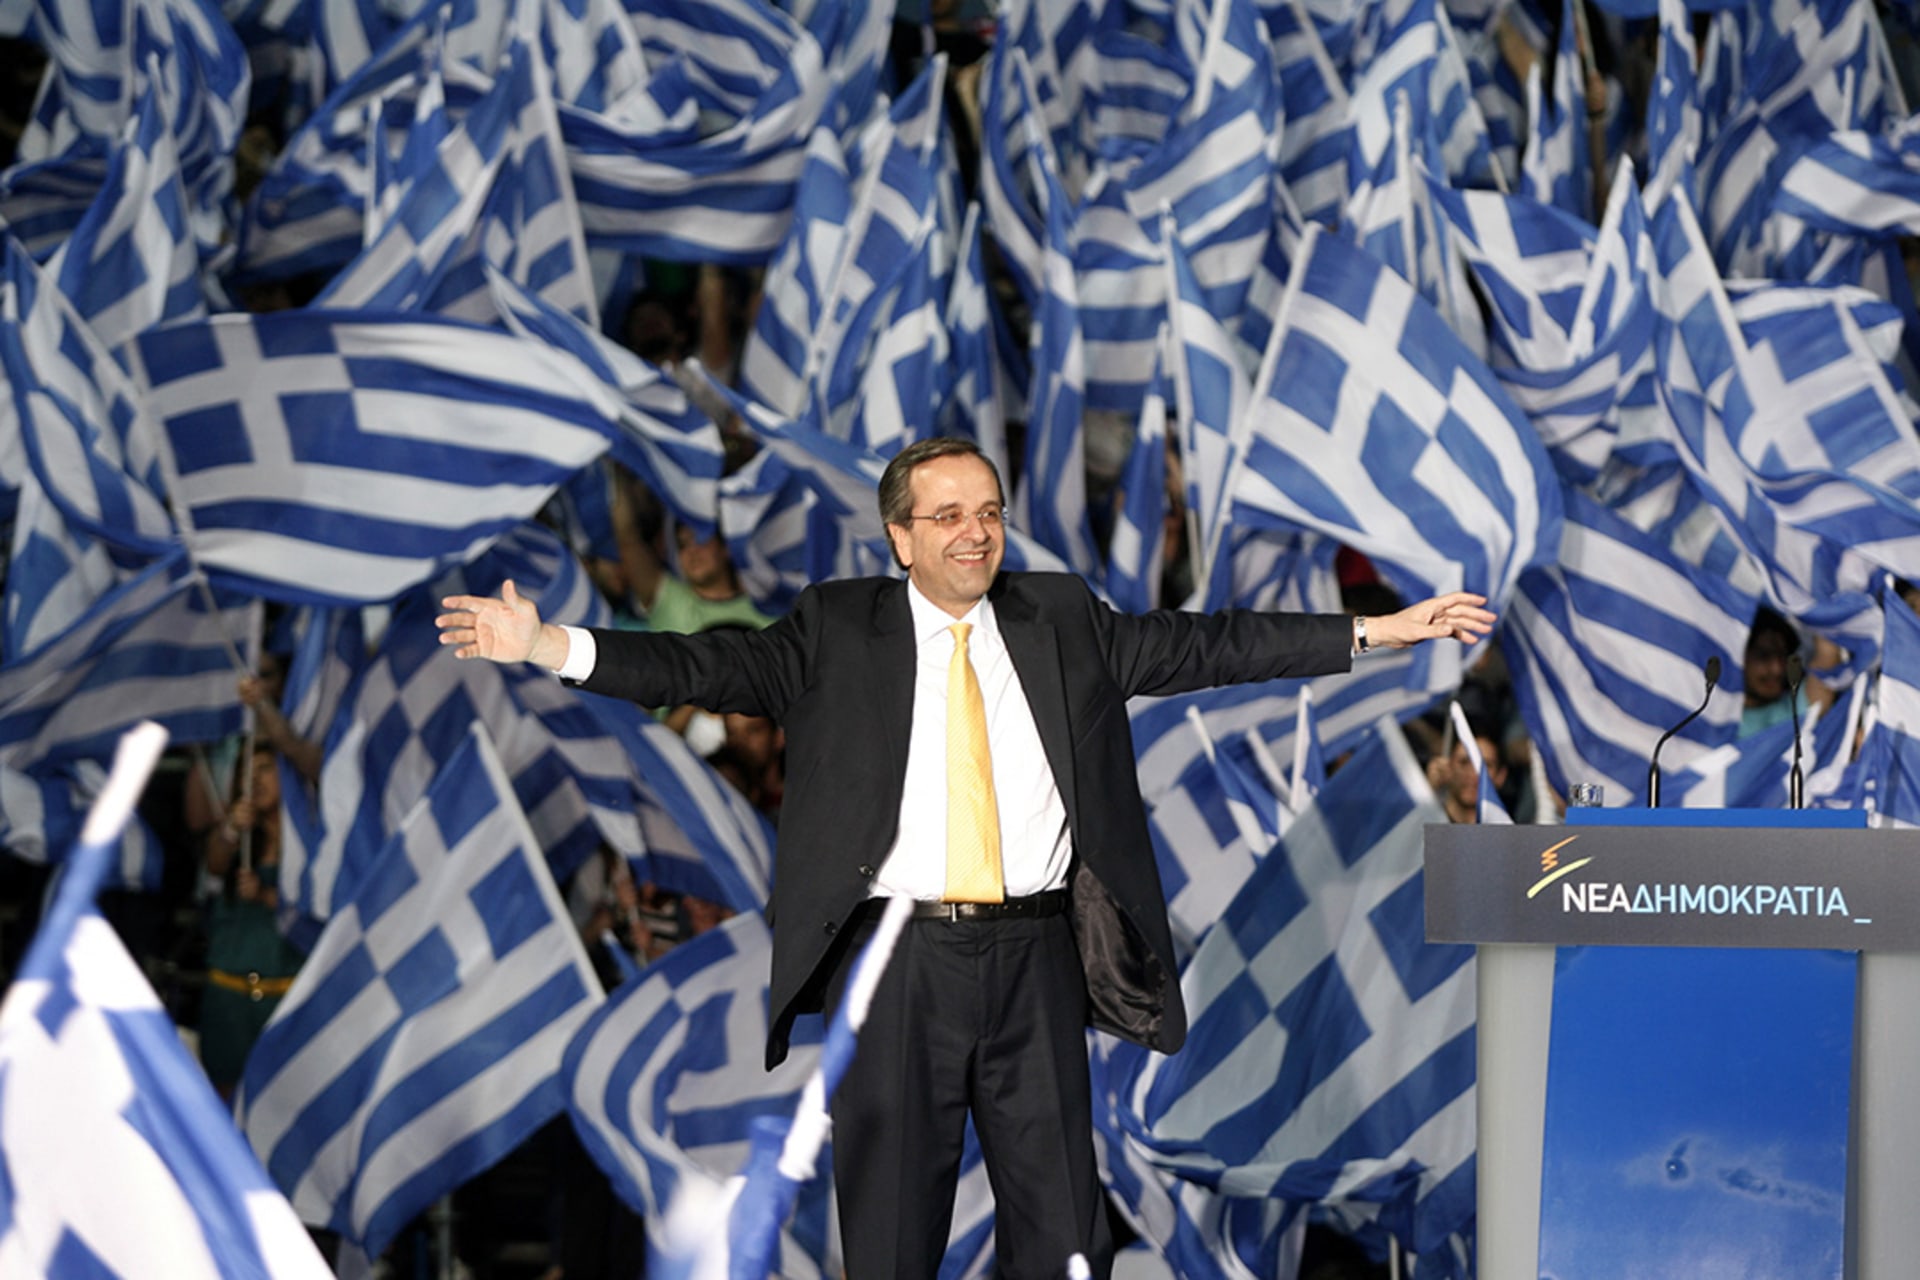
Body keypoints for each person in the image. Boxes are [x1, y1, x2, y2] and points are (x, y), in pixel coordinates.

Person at [436, 437, 1494, 1278]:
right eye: (948, 516)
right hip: (896, 967)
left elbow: (1210, 643)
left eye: (987, 512)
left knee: (1064, 1233)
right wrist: (548, 645)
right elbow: (702, 661)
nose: (976, 533)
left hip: (1038, 957)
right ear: (901, 537)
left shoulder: (1063, 616)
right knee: (894, 1236)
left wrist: (1376, 630)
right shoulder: (835, 629)